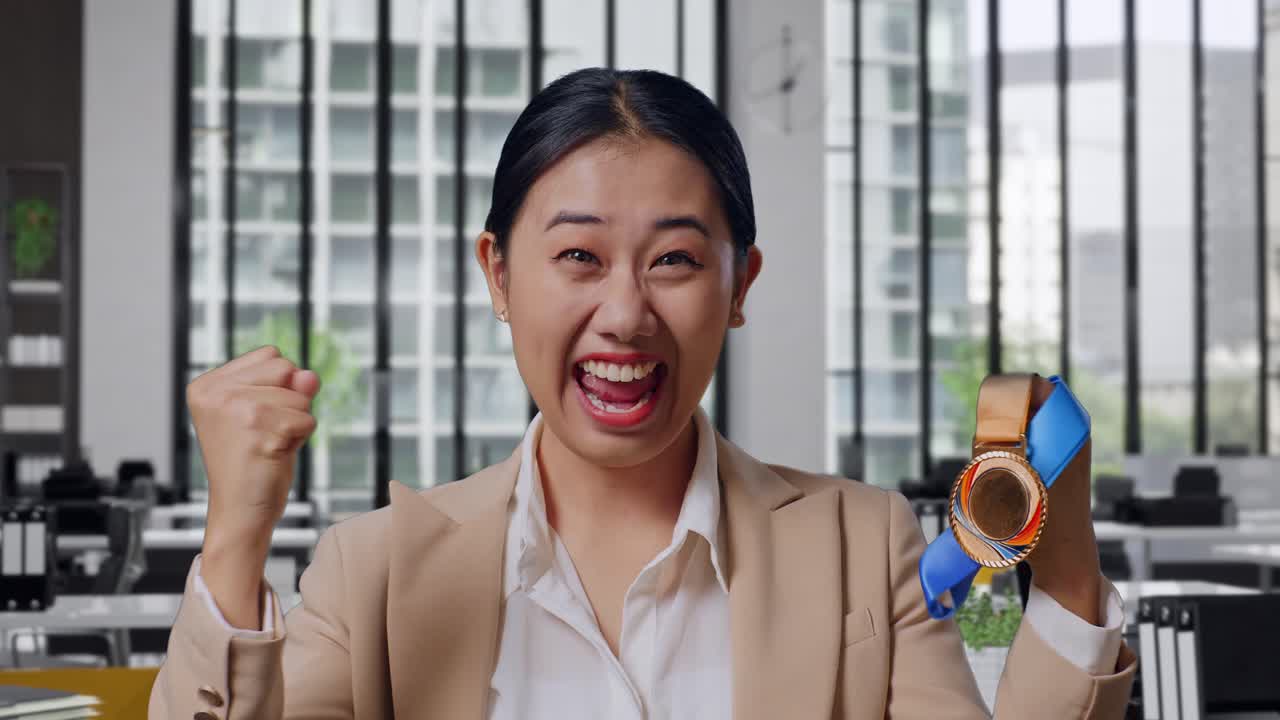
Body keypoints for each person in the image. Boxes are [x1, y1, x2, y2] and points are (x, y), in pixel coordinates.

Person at [149, 68, 1134, 719]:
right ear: (497, 275)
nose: (624, 313)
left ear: (738, 285)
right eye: (577, 255)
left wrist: (1067, 555)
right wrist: (235, 535)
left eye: (671, 259)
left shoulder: (861, 546)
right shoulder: (372, 573)